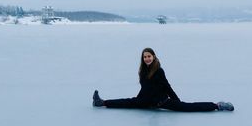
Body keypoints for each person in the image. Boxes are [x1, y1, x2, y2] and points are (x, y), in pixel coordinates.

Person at [92, 48, 234, 112]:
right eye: (144, 56)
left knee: (187, 107)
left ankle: (217, 105)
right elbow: (145, 88)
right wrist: (140, 99)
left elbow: (166, 86)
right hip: (146, 101)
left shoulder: (158, 70)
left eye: (149, 56)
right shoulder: (142, 71)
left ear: (154, 56)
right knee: (126, 102)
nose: (147, 58)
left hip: (161, 100)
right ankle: (101, 102)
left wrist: (176, 100)